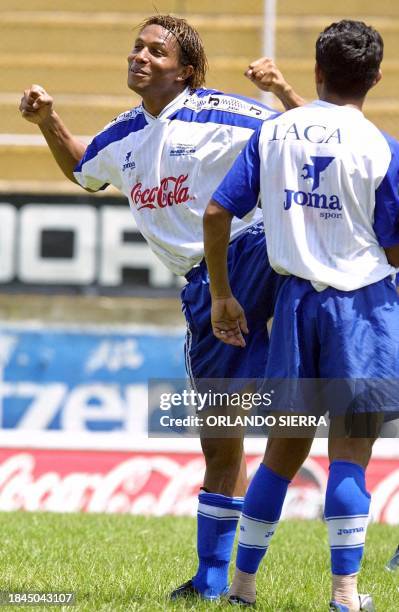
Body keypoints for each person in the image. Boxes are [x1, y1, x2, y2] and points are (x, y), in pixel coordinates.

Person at [19, 14, 304, 600]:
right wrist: (49, 121)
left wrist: (281, 91)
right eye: (137, 46)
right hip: (204, 283)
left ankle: (217, 579)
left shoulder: (223, 113)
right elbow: (82, 168)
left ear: (188, 73)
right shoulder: (125, 133)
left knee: (277, 418)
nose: (140, 56)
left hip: (251, 257)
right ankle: (217, 580)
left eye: (157, 51)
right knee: (222, 436)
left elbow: (308, 134)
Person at [204, 19, 399, 611]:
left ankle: (240, 589)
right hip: (360, 308)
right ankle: (344, 595)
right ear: (375, 77)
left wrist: (222, 295)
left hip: (293, 305)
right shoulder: (379, 146)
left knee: (282, 454)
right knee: (352, 450)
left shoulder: (275, 133)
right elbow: (392, 247)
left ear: (316, 70)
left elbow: (217, 213)